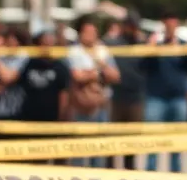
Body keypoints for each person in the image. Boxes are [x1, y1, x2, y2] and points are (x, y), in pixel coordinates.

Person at [141, 13, 187, 172]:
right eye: (169, 24)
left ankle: (175, 173)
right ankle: (150, 173)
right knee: (152, 141)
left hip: (178, 98)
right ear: (164, 25)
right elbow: (143, 67)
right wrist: (150, 50)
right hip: (156, 98)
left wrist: (186, 51)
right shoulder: (155, 45)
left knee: (177, 142)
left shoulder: (184, 45)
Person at [65, 17, 120, 169]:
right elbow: (77, 76)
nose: (90, 35)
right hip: (82, 106)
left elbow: (115, 76)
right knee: (80, 149)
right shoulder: (74, 52)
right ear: (80, 33)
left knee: (99, 148)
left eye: (93, 32)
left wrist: (94, 70)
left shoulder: (103, 51)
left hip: (102, 105)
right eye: (87, 32)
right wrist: (100, 74)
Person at [106, 12, 147, 170]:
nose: (133, 29)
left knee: (131, 143)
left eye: (135, 26)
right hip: (116, 97)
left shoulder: (143, 45)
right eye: (130, 26)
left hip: (135, 98)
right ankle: (108, 174)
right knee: (110, 143)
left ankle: (130, 174)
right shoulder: (112, 43)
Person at [18, 29, 71, 127]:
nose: (47, 47)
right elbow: (21, 85)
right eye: (44, 43)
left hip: (52, 119)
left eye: (50, 44)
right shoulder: (29, 63)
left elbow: (64, 94)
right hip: (29, 118)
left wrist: (61, 117)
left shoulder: (60, 67)